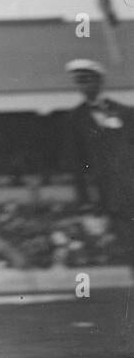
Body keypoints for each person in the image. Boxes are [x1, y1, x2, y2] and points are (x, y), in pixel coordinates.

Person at [66, 58, 134, 272]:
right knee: (130, 248)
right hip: (112, 197)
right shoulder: (74, 119)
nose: (83, 86)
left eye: (87, 79)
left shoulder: (126, 113)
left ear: (99, 81)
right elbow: (77, 165)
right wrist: (85, 202)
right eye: (79, 81)